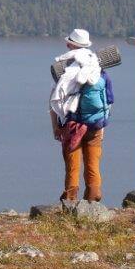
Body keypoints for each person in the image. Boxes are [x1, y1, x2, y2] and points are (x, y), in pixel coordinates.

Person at [49, 28, 112, 203]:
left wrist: (55, 127)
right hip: (96, 126)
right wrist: (102, 124)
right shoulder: (99, 71)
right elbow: (109, 101)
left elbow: (54, 102)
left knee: (73, 166)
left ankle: (70, 201)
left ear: (70, 45)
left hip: (72, 126)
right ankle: (93, 200)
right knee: (93, 165)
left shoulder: (64, 71)